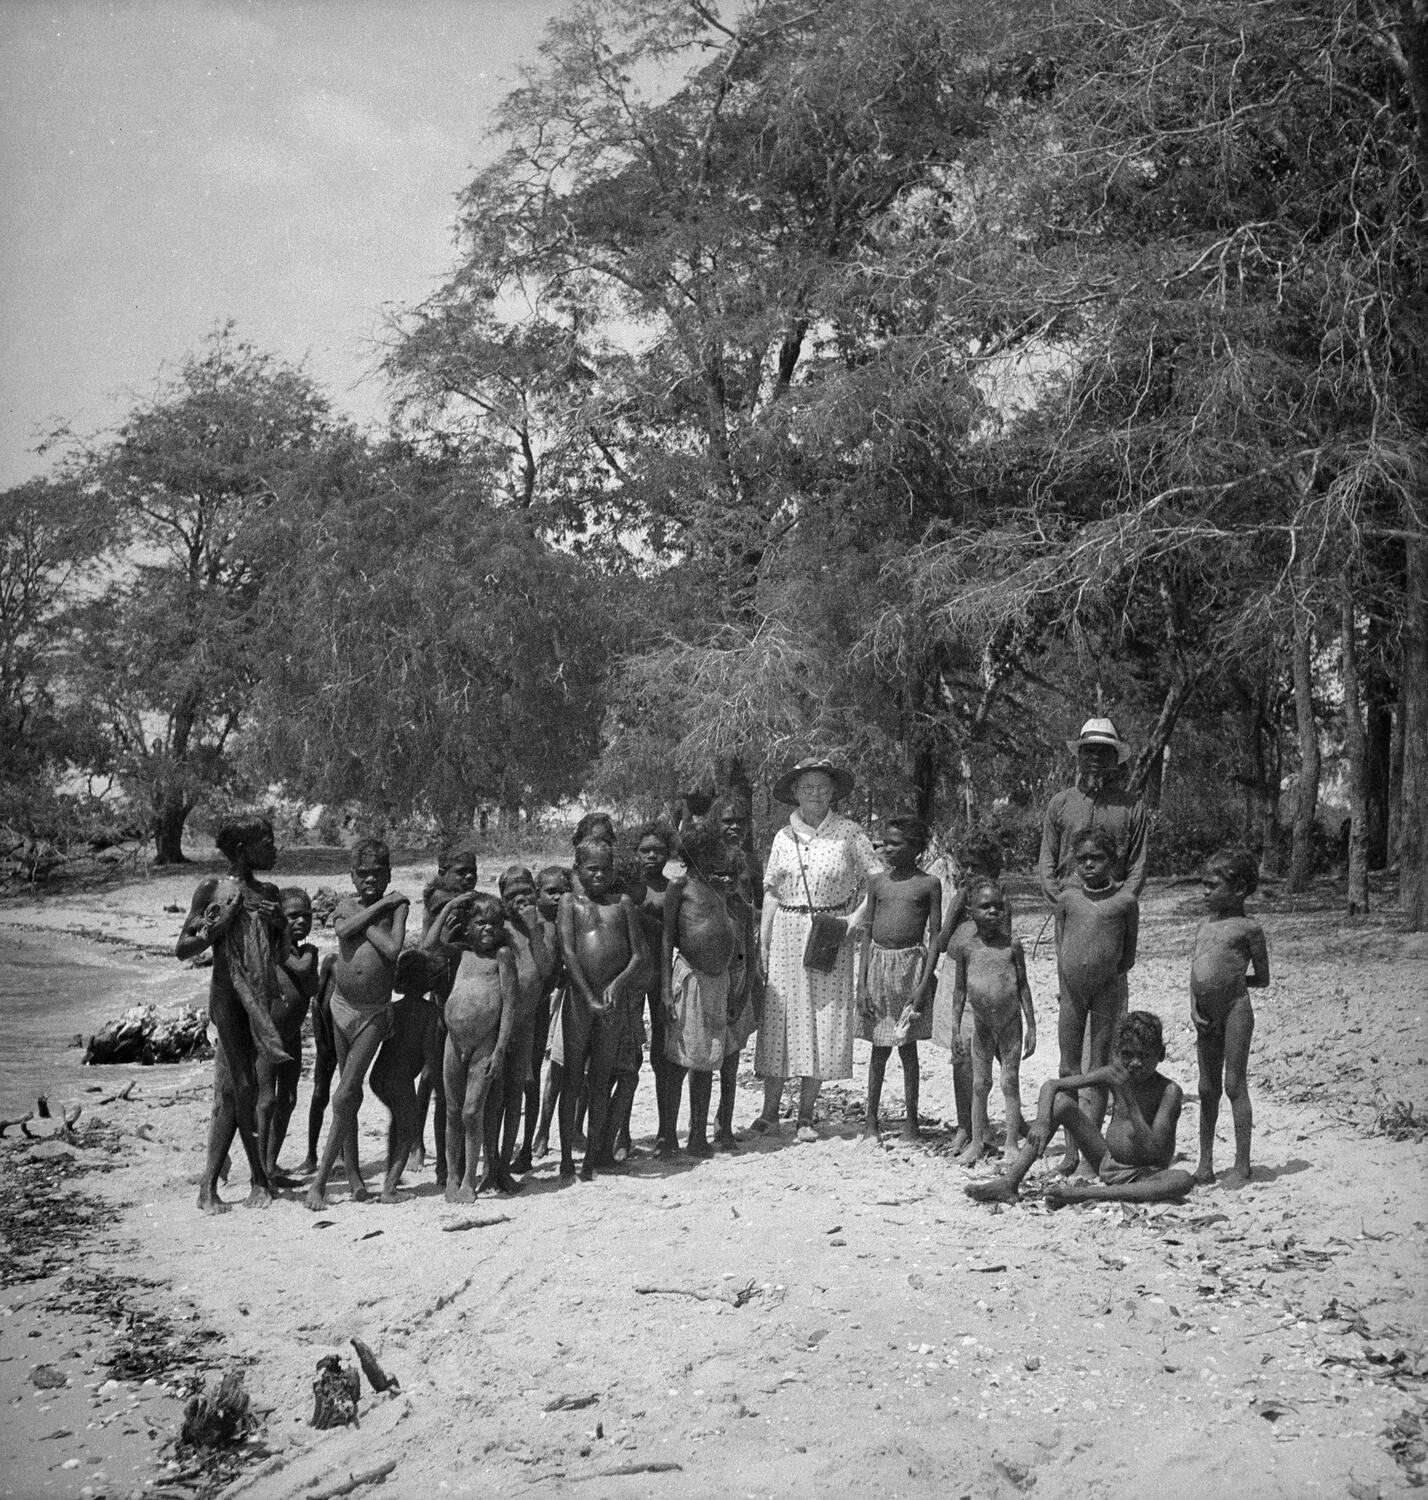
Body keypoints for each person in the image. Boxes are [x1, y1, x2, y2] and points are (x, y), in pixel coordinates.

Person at [751, 757, 879, 1142]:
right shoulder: (782, 838)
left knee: (823, 1020)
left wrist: (855, 921)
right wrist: (763, 941)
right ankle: (769, 1114)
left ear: (834, 791)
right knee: (780, 1019)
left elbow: (878, 883)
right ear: (795, 792)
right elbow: (771, 893)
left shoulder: (850, 833)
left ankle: (806, 1116)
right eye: (807, 787)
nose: (815, 794)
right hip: (788, 932)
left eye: (823, 787)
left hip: (829, 933)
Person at [176, 815, 290, 1214]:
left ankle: (213, 1184)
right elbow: (183, 947)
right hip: (227, 997)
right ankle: (256, 1179)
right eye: (267, 842)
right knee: (243, 1088)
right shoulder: (212, 889)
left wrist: (281, 926)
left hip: (258, 999)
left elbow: (279, 955)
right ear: (242, 851)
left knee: (237, 1092)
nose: (275, 848)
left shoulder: (270, 892)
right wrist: (217, 927)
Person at [966, 1011, 1194, 1205]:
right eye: (1127, 1055)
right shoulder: (1115, 1073)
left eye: (1144, 1056)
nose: (1135, 1064)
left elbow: (1153, 1149)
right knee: (1063, 1103)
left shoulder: (1169, 1091)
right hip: (1108, 1163)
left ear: (1161, 1054)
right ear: (1117, 1053)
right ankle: (1010, 1181)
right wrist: (1043, 1121)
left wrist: (1129, 1098)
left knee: (1182, 1180)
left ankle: (1085, 1194)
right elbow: (1053, 1086)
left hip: (1145, 1176)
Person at [305, 839, 409, 1210]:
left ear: (388, 874)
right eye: (362, 874)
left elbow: (393, 950)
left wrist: (359, 923)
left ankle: (318, 1184)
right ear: (351, 875)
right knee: (344, 1088)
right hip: (340, 1006)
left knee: (348, 1090)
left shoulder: (399, 908)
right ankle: (352, 1173)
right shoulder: (370, 905)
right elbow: (341, 930)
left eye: (377, 874)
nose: (370, 879)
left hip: (373, 1013)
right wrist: (378, 908)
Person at [557, 839, 648, 1180]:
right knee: (571, 1079)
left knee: (599, 1081)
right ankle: (566, 1157)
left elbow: (638, 954)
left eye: (605, 869)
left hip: (611, 1004)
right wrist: (588, 996)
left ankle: (590, 1159)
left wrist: (617, 985)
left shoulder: (622, 904)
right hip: (579, 1002)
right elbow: (567, 952)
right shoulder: (569, 902)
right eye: (591, 869)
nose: (599, 875)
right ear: (577, 870)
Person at [423, 893, 519, 1204]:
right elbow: (428, 945)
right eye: (480, 923)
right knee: (452, 1111)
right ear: (468, 928)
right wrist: (451, 907)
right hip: (454, 1042)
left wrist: (500, 1050)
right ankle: (452, 1175)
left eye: (493, 923)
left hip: (485, 1045)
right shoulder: (459, 955)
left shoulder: (502, 957)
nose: (487, 929)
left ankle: (469, 1178)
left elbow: (509, 1005)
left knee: (471, 1111)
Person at [1054, 827, 1139, 1173]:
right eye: (1083, 858)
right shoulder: (1067, 900)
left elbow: (1127, 956)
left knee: (1100, 1068)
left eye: (1098, 857)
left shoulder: (1125, 902)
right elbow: (1060, 946)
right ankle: (1071, 1150)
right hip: (1072, 993)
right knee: (1067, 1067)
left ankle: (1094, 1153)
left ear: (1112, 861)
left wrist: (1104, 976)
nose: (1089, 864)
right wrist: (1069, 980)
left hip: (1106, 990)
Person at [856, 816, 941, 1145]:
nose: (887, 849)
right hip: (878, 967)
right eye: (885, 842)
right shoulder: (877, 883)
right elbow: (866, 934)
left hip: (911, 969)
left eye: (896, 843)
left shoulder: (928, 884)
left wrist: (923, 984)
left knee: (908, 1051)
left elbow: (935, 937)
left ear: (916, 848)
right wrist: (862, 984)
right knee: (879, 1050)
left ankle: (911, 1124)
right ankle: (870, 1121)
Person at [661, 820, 743, 1156]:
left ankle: (698, 1135)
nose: (717, 864)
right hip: (690, 978)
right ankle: (668, 1135)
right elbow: (668, 939)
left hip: (718, 982)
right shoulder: (680, 887)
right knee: (680, 1059)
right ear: (692, 857)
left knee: (708, 1059)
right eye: (709, 856)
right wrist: (666, 990)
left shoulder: (723, 892)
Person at [1191, 847, 1270, 1189]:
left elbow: (1262, 978)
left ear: (1238, 890)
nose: (1205, 892)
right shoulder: (1203, 926)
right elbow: (1195, 970)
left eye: (1213, 886)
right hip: (1204, 1015)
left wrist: (1233, 984)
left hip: (1236, 1010)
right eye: (1204, 885)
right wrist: (1195, 1005)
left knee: (1234, 1084)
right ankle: (1204, 1163)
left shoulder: (1248, 929)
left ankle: (1242, 1164)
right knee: (1206, 1088)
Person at [930, 831, 1008, 1151]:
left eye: (979, 868)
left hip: (988, 980)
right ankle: (965, 1124)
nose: (972, 874)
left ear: (993, 869)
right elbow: (944, 939)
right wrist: (960, 904)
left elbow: (1004, 944)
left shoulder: (998, 902)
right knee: (961, 1056)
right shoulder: (962, 899)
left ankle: (983, 1125)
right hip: (955, 978)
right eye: (967, 868)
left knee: (991, 1054)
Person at [948, 880, 1036, 1164]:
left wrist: (1032, 1027)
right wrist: (954, 1030)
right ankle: (976, 1142)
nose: (993, 911)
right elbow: (960, 991)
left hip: (1011, 1024)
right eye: (985, 906)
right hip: (982, 1025)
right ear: (971, 911)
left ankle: (1011, 1142)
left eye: (998, 906)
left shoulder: (1013, 946)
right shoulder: (967, 948)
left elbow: (1023, 986)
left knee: (1010, 1082)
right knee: (979, 1084)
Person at [411, 847, 481, 1183]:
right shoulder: (441, 902)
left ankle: (436, 1154)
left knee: (439, 1084)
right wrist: (453, 908)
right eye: (460, 872)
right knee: (441, 1088)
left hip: (461, 1002)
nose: (468, 877)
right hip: (441, 1002)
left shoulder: (471, 901)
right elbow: (428, 947)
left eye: (472, 871)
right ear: (443, 872)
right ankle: (432, 1157)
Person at [484, 867, 555, 1191]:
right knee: (492, 1095)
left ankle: (504, 1167)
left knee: (516, 1093)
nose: (520, 900)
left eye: (526, 892)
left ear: (535, 891)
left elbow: (545, 969)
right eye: (512, 896)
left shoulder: (544, 927)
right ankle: (489, 1163)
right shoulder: (496, 927)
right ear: (502, 899)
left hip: (526, 1023)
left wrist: (533, 929)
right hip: (496, 1026)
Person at [1038, 717, 1149, 904]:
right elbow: (1047, 860)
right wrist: (1059, 901)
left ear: (1115, 759)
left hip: (1113, 903)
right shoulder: (1060, 803)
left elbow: (1138, 865)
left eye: (1103, 752)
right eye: (1089, 751)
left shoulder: (1132, 807)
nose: (1095, 757)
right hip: (1068, 901)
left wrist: (1121, 903)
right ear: (1079, 756)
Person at [257, 886, 320, 1186]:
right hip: (268, 1036)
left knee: (289, 1098)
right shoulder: (271, 948)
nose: (301, 922)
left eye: (306, 916)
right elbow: (300, 968)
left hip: (292, 1035)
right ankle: (260, 1172)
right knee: (267, 1100)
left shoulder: (300, 950)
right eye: (293, 916)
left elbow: (311, 989)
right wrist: (307, 957)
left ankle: (270, 1166)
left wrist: (309, 958)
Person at [367, 948, 436, 1202]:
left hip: (379, 1078)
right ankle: (389, 1189)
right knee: (407, 1132)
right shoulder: (430, 1012)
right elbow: (429, 1051)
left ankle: (390, 1176)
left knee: (397, 1122)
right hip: (401, 1080)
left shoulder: (394, 1007)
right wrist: (439, 1078)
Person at [631, 823, 677, 1155]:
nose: (651, 856)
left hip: (663, 975)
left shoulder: (673, 888)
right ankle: (620, 1133)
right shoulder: (630, 889)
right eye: (645, 850)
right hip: (632, 975)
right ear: (636, 853)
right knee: (628, 1055)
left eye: (658, 851)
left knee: (664, 1056)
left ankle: (667, 1132)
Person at [527, 865, 572, 1164]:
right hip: (535, 1005)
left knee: (560, 1067)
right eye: (550, 892)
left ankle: (544, 1131)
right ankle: (539, 1132)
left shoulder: (567, 920)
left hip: (559, 999)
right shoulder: (535, 924)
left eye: (562, 892)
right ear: (537, 893)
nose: (557, 898)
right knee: (537, 1071)